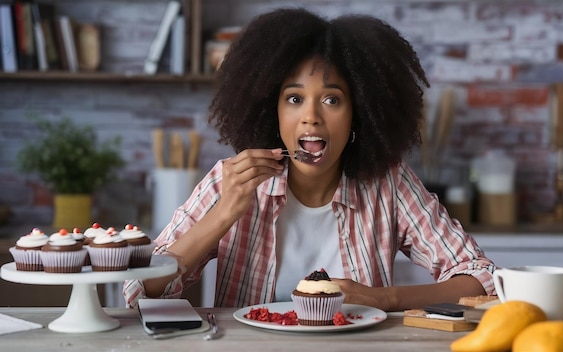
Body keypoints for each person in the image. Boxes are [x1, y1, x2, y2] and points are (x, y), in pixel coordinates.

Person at [123, 8, 496, 311]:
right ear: (272, 110)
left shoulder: (389, 183)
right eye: (294, 98)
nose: (311, 116)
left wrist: (384, 298)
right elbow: (138, 290)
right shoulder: (231, 180)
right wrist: (223, 215)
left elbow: (482, 278)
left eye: (332, 99)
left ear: (359, 113)